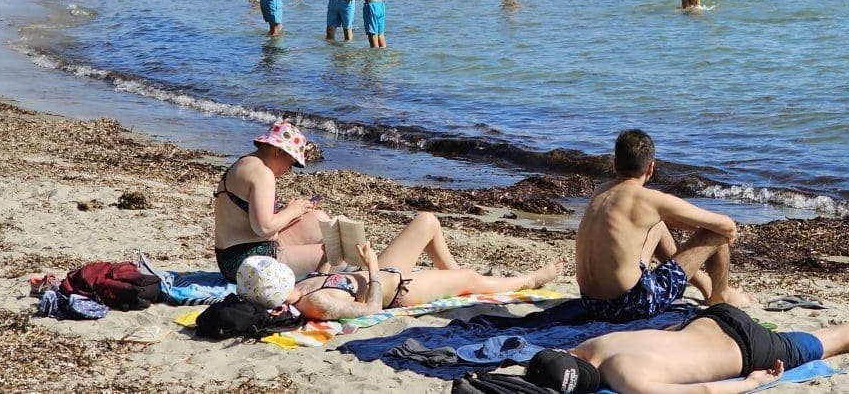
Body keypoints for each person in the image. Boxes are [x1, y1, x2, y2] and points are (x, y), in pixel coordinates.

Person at [525, 303, 849, 394]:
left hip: (750, 350)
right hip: (713, 318)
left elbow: (707, 391)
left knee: (826, 342)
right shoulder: (590, 345)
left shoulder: (627, 380)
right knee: (818, 343)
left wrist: (751, 382)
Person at [575, 129, 752, 322]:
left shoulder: (600, 192)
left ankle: (706, 286)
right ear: (651, 167)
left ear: (615, 163)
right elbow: (727, 226)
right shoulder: (649, 200)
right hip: (630, 305)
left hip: (591, 302)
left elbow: (655, 219)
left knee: (657, 225)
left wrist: (694, 230)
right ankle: (720, 296)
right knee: (716, 235)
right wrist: (705, 234)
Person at [250, 233, 564, 320]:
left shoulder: (300, 287)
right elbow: (371, 308)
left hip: (383, 269)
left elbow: (328, 275)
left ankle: (452, 277)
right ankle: (529, 280)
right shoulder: (316, 303)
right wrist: (371, 266)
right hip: (400, 289)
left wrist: (333, 255)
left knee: (426, 221)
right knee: (469, 278)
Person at [212, 121, 330, 280]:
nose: (289, 170)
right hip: (246, 262)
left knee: (318, 219)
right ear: (278, 151)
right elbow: (264, 228)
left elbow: (253, 221)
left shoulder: (246, 163)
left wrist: (293, 211)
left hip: (234, 254)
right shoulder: (262, 174)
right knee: (336, 254)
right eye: (291, 163)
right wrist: (292, 211)